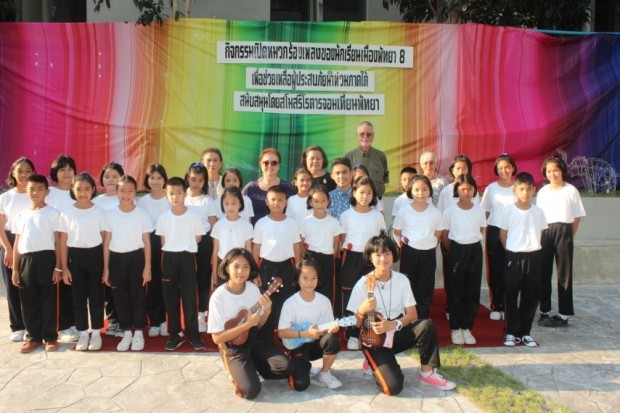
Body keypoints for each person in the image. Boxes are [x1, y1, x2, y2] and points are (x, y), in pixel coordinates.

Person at [347, 232, 456, 394]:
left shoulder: (402, 280)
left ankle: (427, 373)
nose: (383, 259)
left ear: (393, 255)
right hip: (374, 338)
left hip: (395, 332)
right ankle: (373, 360)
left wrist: (394, 324)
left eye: (387, 253)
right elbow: (353, 325)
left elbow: (413, 314)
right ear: (370, 258)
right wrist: (362, 311)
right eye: (377, 254)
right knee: (393, 387)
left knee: (427, 326)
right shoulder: (362, 283)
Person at [208, 248, 294, 400]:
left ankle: (251, 365)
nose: (241, 271)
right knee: (250, 391)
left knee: (285, 367)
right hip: (233, 347)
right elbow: (217, 338)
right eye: (236, 266)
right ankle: (237, 368)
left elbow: (258, 325)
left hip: (253, 340)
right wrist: (246, 325)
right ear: (226, 267)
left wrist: (267, 312)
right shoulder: (218, 297)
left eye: (246, 267)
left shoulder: (253, 289)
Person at [11, 174, 61, 353]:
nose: (36, 192)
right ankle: (33, 337)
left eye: (40, 189)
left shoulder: (53, 213)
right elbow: (17, 242)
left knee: (48, 299)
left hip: (47, 259)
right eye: (32, 189)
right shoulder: (21, 215)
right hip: (26, 260)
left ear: (47, 192)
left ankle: (50, 337)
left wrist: (58, 267)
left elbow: (58, 242)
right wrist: (16, 269)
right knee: (28, 300)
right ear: (26, 191)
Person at [103, 176, 152, 352]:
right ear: (117, 192)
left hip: (136, 258)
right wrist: (106, 268)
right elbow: (107, 242)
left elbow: (146, 242)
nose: (126, 194)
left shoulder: (142, 215)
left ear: (135, 192)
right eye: (122, 190)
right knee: (120, 297)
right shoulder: (110, 215)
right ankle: (126, 332)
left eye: (130, 191)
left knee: (138, 294)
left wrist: (147, 267)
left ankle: (138, 331)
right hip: (116, 259)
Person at [156, 177, 206, 351]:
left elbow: (198, 238)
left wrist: (184, 244)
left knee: (190, 298)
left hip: (187, 258)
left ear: (185, 194)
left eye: (179, 193)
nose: (175, 197)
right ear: (166, 195)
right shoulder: (163, 218)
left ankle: (193, 334)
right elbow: (162, 240)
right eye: (171, 193)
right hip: (168, 258)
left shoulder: (193, 216)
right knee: (170, 299)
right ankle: (175, 334)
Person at [278, 256, 342, 390]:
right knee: (300, 385)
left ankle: (324, 373)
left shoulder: (324, 301)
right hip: (298, 345)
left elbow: (327, 329)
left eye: (313, 278)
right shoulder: (290, 303)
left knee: (332, 340)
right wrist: (307, 333)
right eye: (305, 278)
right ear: (297, 279)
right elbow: (282, 332)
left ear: (318, 279)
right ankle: (303, 365)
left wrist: (331, 330)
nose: (309, 282)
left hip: (316, 344)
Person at [498, 172, 548, 347]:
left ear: (534, 190)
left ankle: (525, 332)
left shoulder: (539, 212)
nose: (525, 193)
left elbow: (540, 233)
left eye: (528, 189)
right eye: (521, 189)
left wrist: (530, 247)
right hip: (513, 256)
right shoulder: (508, 211)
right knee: (511, 295)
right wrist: (512, 250)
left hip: (533, 257)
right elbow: (502, 234)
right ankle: (511, 331)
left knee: (531, 295)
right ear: (515, 190)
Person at [58, 172, 106, 351]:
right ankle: (83, 332)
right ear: (72, 190)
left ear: (93, 189)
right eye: (79, 189)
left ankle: (96, 333)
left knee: (96, 296)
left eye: (87, 189)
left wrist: (105, 267)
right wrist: (64, 268)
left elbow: (105, 239)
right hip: (75, 258)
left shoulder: (100, 212)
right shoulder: (67, 212)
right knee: (78, 297)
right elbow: (63, 241)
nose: (83, 193)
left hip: (95, 256)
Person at [536, 155, 586, 327]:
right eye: (549, 171)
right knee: (544, 272)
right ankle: (544, 311)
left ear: (562, 170)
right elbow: (539, 216)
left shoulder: (571, 190)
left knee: (564, 273)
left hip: (564, 231)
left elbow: (577, 217)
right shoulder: (542, 192)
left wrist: (568, 235)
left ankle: (563, 314)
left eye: (555, 170)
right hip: (545, 232)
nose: (553, 174)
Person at [339, 176, 386, 350]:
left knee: (371, 294)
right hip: (351, 258)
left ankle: (369, 331)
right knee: (350, 294)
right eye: (361, 192)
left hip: (371, 259)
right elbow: (341, 239)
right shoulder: (346, 215)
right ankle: (351, 332)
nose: (365, 196)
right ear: (354, 193)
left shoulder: (377, 216)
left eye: (369, 193)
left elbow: (382, 240)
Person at [441, 174, 487, 345]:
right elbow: (445, 236)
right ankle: (455, 327)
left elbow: (480, 229)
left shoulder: (480, 210)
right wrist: (453, 251)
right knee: (455, 291)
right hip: (456, 250)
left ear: (474, 190)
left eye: (469, 189)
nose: (466, 192)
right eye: (462, 189)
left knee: (472, 290)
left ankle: (467, 327)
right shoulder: (450, 211)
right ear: (457, 190)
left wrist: (471, 243)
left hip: (474, 250)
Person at [392, 174, 443, 320]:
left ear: (430, 192)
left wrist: (430, 242)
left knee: (425, 287)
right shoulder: (404, 212)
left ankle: (423, 318)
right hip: (409, 253)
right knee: (408, 285)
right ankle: (408, 318)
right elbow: (397, 231)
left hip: (428, 253)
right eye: (417, 189)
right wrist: (402, 244)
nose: (421, 193)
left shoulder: (436, 212)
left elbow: (439, 232)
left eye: (425, 189)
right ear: (410, 191)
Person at [252, 184, 302, 330]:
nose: (277, 203)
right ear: (266, 202)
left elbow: (296, 246)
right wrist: (255, 272)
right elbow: (256, 247)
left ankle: (284, 330)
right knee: (266, 299)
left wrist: (298, 268)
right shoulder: (261, 223)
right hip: (266, 266)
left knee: (286, 298)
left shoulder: (292, 222)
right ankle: (266, 330)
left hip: (287, 266)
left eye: (280, 200)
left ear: (286, 202)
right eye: (273, 199)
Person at [0, 157, 35, 342]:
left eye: (28, 171)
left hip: (32, 242)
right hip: (10, 241)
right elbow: (0, 226)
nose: (24, 174)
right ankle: (17, 326)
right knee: (12, 286)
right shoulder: (5, 197)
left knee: (29, 286)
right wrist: (7, 248)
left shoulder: (36, 194)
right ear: (13, 172)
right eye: (20, 170)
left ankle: (31, 325)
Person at [480, 154, 517, 321]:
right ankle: (496, 306)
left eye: (507, 167)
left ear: (513, 168)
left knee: (512, 271)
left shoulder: (518, 187)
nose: (504, 170)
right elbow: (484, 212)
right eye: (501, 168)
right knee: (494, 270)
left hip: (514, 231)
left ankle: (509, 305)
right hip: (494, 231)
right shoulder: (491, 189)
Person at [46, 155, 79, 344]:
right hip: (51, 247)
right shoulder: (49, 192)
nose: (66, 173)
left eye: (70, 169)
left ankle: (72, 323)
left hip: (74, 248)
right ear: (55, 173)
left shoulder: (79, 191)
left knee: (72, 287)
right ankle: (61, 326)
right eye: (62, 169)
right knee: (55, 289)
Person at [137, 164, 170, 337]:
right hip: (148, 242)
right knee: (152, 283)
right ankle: (155, 322)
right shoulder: (142, 201)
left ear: (164, 179)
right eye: (152, 178)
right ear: (147, 180)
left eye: (159, 178)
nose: (155, 181)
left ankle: (166, 321)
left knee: (166, 283)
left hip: (167, 242)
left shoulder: (170, 198)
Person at [184, 162, 217, 332]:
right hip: (184, 243)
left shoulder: (208, 201)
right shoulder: (181, 197)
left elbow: (214, 225)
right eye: (193, 179)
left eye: (200, 180)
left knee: (203, 279)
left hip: (204, 243)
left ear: (204, 182)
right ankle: (188, 315)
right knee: (187, 280)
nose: (196, 183)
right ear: (187, 178)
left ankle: (201, 314)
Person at [92, 161, 124, 339]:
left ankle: (124, 319)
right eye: (107, 176)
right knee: (107, 286)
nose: (111, 180)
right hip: (101, 250)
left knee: (121, 287)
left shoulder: (127, 198)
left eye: (115, 176)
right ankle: (113, 320)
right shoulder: (96, 202)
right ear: (102, 180)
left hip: (122, 250)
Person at [298, 185, 343, 306]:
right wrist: (305, 257)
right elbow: (301, 242)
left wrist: (332, 255)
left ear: (328, 202)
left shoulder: (333, 222)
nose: (320, 204)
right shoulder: (305, 221)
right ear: (310, 202)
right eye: (316, 201)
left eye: (323, 201)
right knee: (311, 286)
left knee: (327, 287)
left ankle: (327, 317)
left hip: (328, 258)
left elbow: (336, 241)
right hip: (311, 257)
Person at [210, 187, 253, 290]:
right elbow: (215, 251)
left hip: (240, 267)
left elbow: (249, 251)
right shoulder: (218, 225)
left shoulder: (247, 226)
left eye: (234, 203)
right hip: (223, 266)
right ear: (222, 205)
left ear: (240, 204)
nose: (230, 207)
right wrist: (215, 274)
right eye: (226, 203)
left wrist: (249, 273)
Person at [242, 148, 295, 225]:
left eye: (274, 163)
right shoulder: (250, 188)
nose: (269, 165)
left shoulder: (288, 188)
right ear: (260, 164)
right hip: (256, 234)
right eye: (266, 163)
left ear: (279, 165)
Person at [344, 121, 389, 199]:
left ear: (373, 136)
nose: (365, 137)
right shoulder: (348, 157)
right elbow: (345, 182)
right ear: (357, 136)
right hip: (356, 202)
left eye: (368, 134)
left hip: (377, 201)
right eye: (362, 134)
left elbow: (384, 179)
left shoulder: (381, 156)